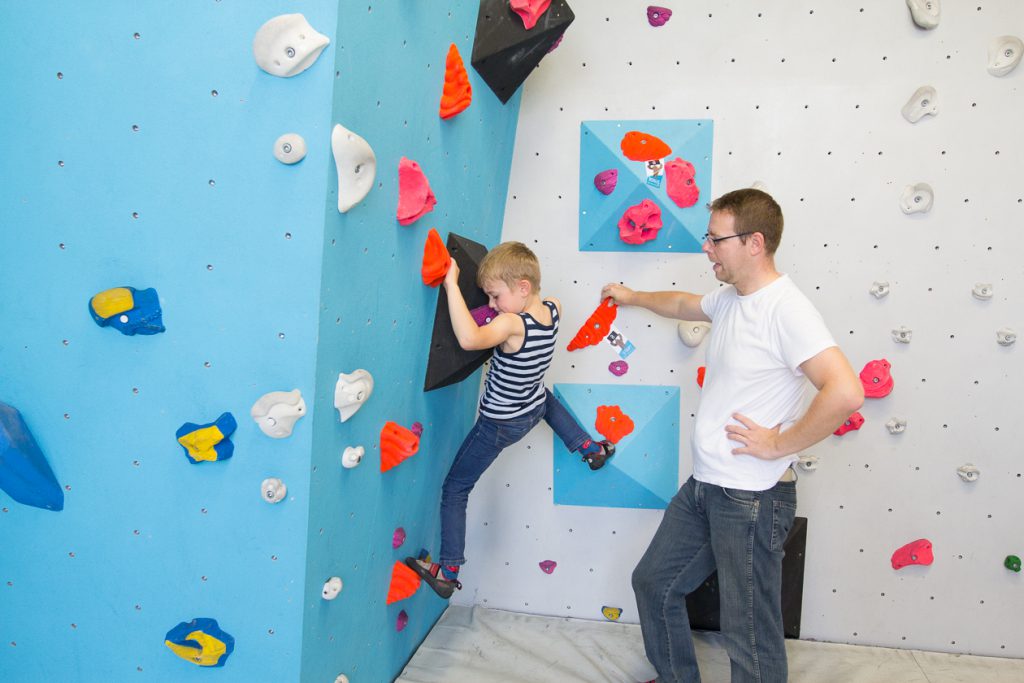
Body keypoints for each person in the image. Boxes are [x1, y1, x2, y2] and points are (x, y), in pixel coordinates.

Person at [603, 189, 864, 683]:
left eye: (715, 239)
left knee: (748, 628)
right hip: (706, 487)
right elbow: (682, 303)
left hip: (751, 498)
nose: (707, 248)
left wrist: (779, 444)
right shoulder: (729, 300)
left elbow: (846, 392)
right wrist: (633, 297)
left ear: (754, 243)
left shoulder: (787, 310)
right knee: (655, 583)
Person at [408, 241, 614, 599]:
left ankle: (448, 569)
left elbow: (471, 339)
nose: (491, 305)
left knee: (455, 488)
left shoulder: (511, 324)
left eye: (494, 296)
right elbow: (527, 313)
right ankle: (588, 447)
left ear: (522, 287)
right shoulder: (553, 309)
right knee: (545, 396)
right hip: (531, 407)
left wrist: (452, 285)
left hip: (500, 423)